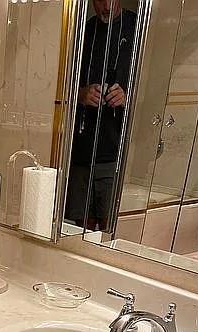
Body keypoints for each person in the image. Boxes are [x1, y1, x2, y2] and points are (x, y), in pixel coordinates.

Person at [66, 0, 137, 231]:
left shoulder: (138, 29)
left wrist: (128, 97)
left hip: (116, 148)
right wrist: (80, 94)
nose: (106, 6)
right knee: (80, 227)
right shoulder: (83, 32)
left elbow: (154, 86)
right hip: (81, 148)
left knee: (110, 229)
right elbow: (60, 85)